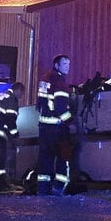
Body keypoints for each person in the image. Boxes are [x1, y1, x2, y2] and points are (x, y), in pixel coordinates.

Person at [36, 55, 74, 196]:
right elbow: (61, 108)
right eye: (64, 64)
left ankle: (43, 189)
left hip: (44, 126)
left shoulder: (45, 79)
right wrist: (70, 123)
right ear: (56, 66)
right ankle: (59, 188)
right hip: (57, 127)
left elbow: (41, 103)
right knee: (64, 157)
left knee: (45, 159)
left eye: (69, 64)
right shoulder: (60, 83)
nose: (67, 66)